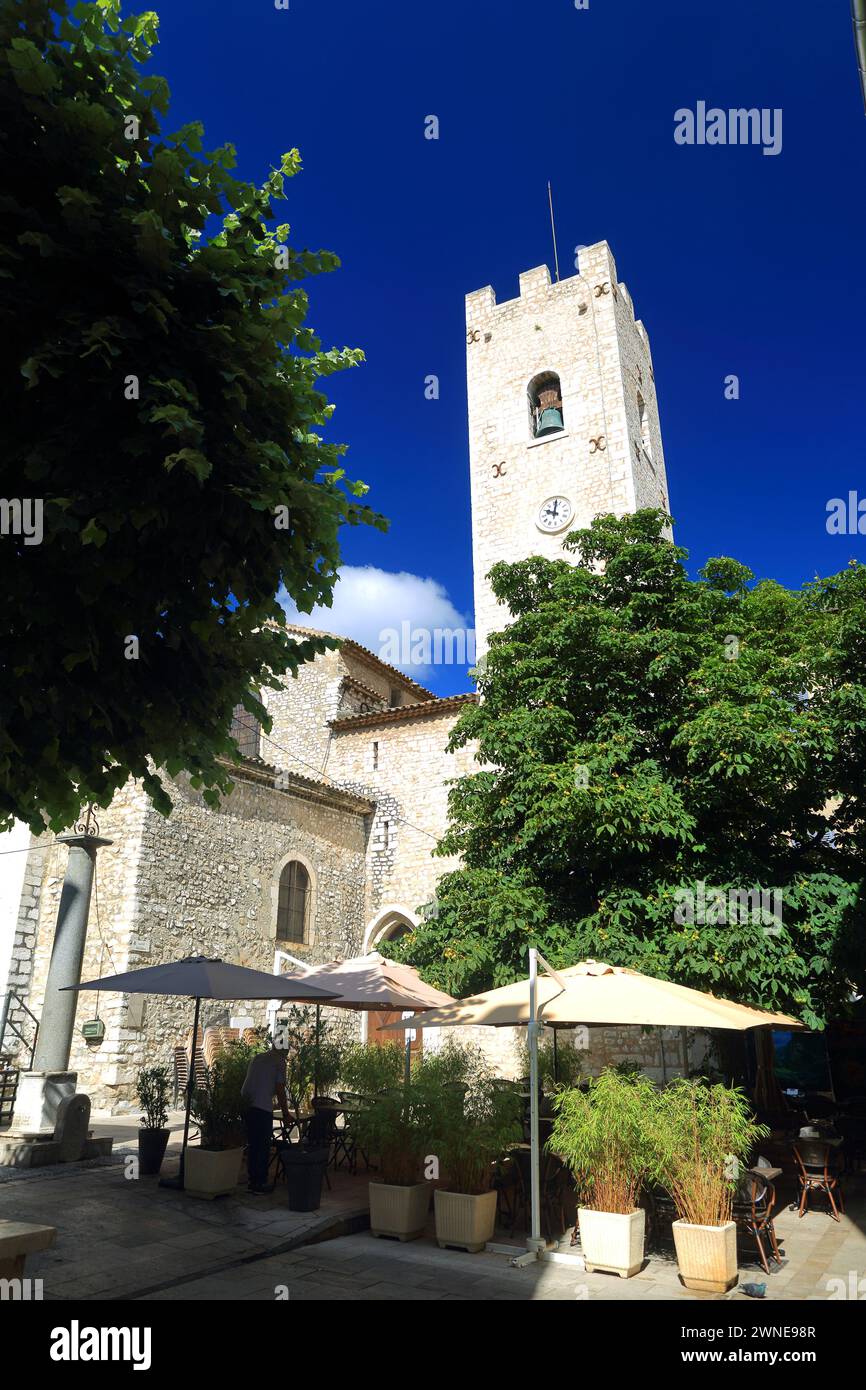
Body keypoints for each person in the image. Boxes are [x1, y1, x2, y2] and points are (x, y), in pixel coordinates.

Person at [241, 1043, 292, 1194]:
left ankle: (252, 1180)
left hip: (246, 1103)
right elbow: (280, 1089)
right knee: (263, 1146)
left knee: (253, 1144)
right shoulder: (279, 1062)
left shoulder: (259, 1057)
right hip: (262, 1106)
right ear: (284, 1049)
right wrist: (285, 1114)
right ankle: (260, 1183)